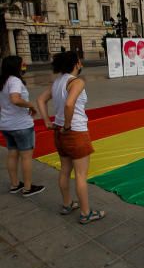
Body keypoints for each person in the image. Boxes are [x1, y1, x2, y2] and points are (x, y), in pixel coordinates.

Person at [36, 52, 104, 223]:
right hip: (75, 132)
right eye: (79, 61)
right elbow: (69, 104)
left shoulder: (57, 82)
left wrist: (46, 121)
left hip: (59, 132)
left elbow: (40, 100)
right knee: (81, 175)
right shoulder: (77, 81)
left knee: (65, 170)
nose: (80, 63)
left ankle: (67, 204)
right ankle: (86, 213)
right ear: (76, 64)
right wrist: (67, 125)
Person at [0, 56, 45, 197]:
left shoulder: (3, 81)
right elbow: (15, 99)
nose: (24, 65)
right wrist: (30, 105)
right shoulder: (14, 80)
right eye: (22, 63)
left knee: (12, 154)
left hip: (6, 125)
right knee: (26, 156)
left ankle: (15, 184)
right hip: (20, 125)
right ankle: (27, 187)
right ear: (16, 66)